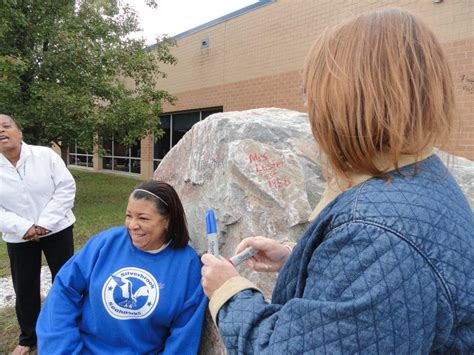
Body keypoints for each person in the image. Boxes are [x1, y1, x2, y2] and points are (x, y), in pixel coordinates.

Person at [201, 8, 474, 354]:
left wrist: (229, 292)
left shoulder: (374, 233)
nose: (310, 110)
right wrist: (300, 260)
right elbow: (377, 306)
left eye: (312, 95)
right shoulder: (422, 178)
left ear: (345, 102)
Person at [36, 180, 207, 354]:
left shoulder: (188, 266)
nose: (132, 225)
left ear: (167, 221)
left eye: (143, 218)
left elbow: (184, 335)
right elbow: (63, 291)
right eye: (128, 216)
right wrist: (63, 349)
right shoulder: (106, 243)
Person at [0, 114, 76, 355]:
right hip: (18, 236)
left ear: (19, 131)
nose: (1, 131)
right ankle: (28, 337)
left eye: (6, 126)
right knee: (25, 287)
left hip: (57, 229)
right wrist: (24, 228)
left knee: (65, 281)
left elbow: (66, 187)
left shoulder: (45, 155)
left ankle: (68, 328)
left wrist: (44, 224)